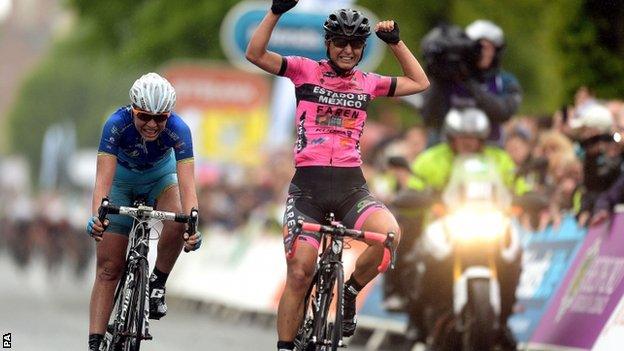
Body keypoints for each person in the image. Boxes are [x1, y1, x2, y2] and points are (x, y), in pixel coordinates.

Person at [245, 1, 429, 350]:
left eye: (356, 44)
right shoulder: (304, 71)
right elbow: (255, 54)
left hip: (351, 188)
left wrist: (395, 43)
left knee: (389, 235)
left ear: (362, 49)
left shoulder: (369, 82)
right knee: (299, 273)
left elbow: (419, 82)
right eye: (341, 42)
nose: (347, 50)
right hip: (308, 191)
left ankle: (349, 292)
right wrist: (275, 12)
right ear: (328, 44)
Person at [85, 72, 203, 351]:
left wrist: (193, 225)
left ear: (168, 115)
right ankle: (95, 343)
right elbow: (102, 179)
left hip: (160, 180)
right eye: (144, 116)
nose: (151, 124)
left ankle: (158, 283)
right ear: (132, 110)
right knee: (108, 268)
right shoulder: (116, 124)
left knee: (178, 219)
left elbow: (187, 184)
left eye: (160, 118)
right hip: (121, 183)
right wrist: (97, 217)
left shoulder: (180, 129)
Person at [400, 108, 523, 350]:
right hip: (444, 226)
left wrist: (527, 195)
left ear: (482, 139)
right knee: (415, 261)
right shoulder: (432, 158)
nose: (468, 143)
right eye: (462, 138)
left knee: (515, 256)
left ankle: (503, 320)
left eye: (474, 138)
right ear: (451, 138)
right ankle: (416, 323)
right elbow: (415, 185)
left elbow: (516, 182)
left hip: (489, 225)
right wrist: (417, 195)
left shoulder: (498, 159)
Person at [421, 19, 522, 144]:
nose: (483, 53)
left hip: (489, 148)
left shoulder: (504, 81)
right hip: (447, 146)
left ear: (496, 52)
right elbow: (431, 118)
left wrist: (469, 82)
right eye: (478, 47)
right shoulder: (451, 78)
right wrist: (439, 77)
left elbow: (503, 113)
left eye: (488, 48)